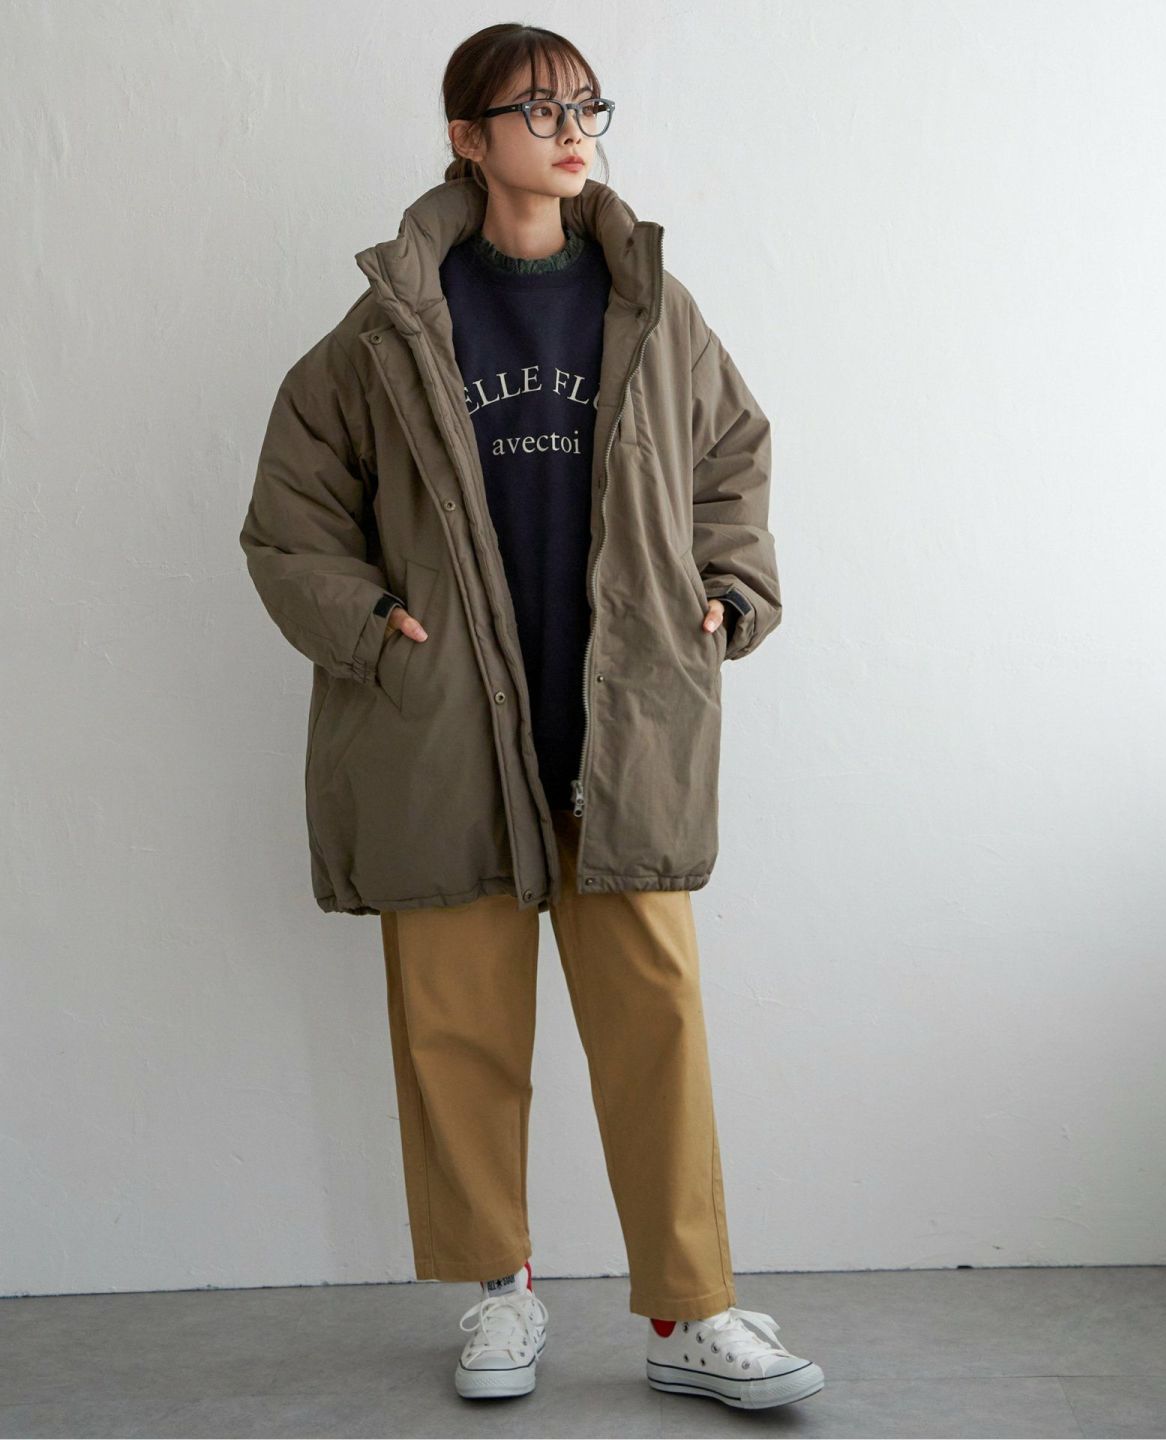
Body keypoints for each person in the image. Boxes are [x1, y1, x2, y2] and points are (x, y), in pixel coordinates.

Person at [240, 20, 823, 1413]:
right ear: (467, 138)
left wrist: (727, 593)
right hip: (448, 736)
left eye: (585, 106)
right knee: (458, 1033)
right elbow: (289, 519)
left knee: (655, 1026)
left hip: (622, 728)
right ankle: (498, 1294)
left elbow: (732, 458)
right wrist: (374, 630)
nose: (572, 132)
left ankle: (689, 1311)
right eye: (537, 109)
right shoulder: (392, 326)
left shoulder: (650, 305)